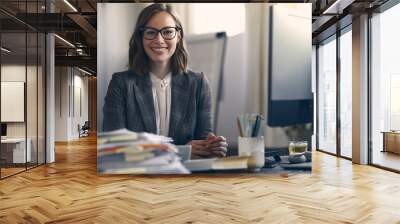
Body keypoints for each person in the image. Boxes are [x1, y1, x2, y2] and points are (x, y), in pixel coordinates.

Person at [103, 3, 227, 159]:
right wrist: (181, 151)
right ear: (141, 37)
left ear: (178, 36)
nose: (159, 40)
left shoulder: (199, 83)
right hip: (137, 178)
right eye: (151, 32)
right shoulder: (120, 83)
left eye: (168, 32)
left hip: (187, 178)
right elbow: (113, 147)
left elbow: (202, 145)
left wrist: (213, 146)